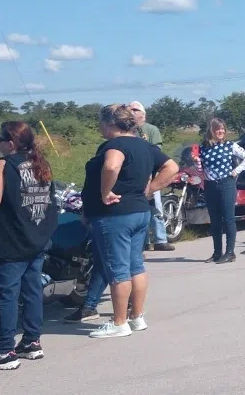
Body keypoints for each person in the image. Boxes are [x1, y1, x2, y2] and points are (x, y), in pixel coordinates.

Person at [82, 104, 179, 339]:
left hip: (115, 215)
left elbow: (112, 165)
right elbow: (172, 166)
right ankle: (136, 316)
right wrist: (151, 188)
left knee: (118, 268)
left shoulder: (115, 145)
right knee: (136, 265)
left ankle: (119, 322)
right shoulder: (144, 145)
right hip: (139, 211)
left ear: (109, 123)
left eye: (100, 123)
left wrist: (105, 192)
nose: (100, 127)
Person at [0, 122, 59, 371]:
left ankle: (4, 351)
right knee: (32, 291)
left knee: (6, 296)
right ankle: (31, 341)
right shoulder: (40, 163)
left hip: (10, 241)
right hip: (36, 238)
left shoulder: (4, 165)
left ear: (10, 143)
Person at [197, 117, 245, 263]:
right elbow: (200, 170)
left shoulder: (230, 145)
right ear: (211, 130)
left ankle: (230, 252)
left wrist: (236, 171)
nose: (221, 131)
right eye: (218, 129)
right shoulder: (203, 148)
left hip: (226, 184)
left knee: (228, 219)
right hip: (210, 185)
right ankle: (217, 252)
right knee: (215, 220)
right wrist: (197, 162)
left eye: (223, 129)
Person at [128, 100, 174, 252]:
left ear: (143, 114)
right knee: (139, 210)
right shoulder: (127, 130)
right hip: (134, 176)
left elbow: (157, 150)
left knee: (156, 208)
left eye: (135, 109)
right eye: (130, 109)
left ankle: (160, 239)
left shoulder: (151, 129)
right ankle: (144, 242)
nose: (132, 111)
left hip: (151, 174)